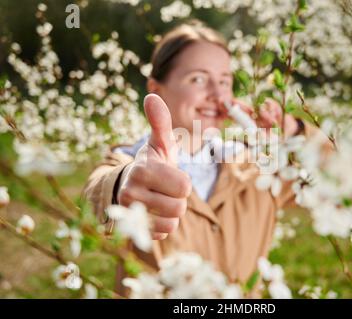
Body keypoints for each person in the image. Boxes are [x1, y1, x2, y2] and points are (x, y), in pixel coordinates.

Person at [83, 20, 329, 296]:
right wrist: (123, 186)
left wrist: (295, 132)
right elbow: (96, 194)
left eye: (224, 81)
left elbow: (343, 182)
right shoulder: (128, 161)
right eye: (198, 79)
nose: (216, 94)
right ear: (156, 88)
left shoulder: (256, 164)